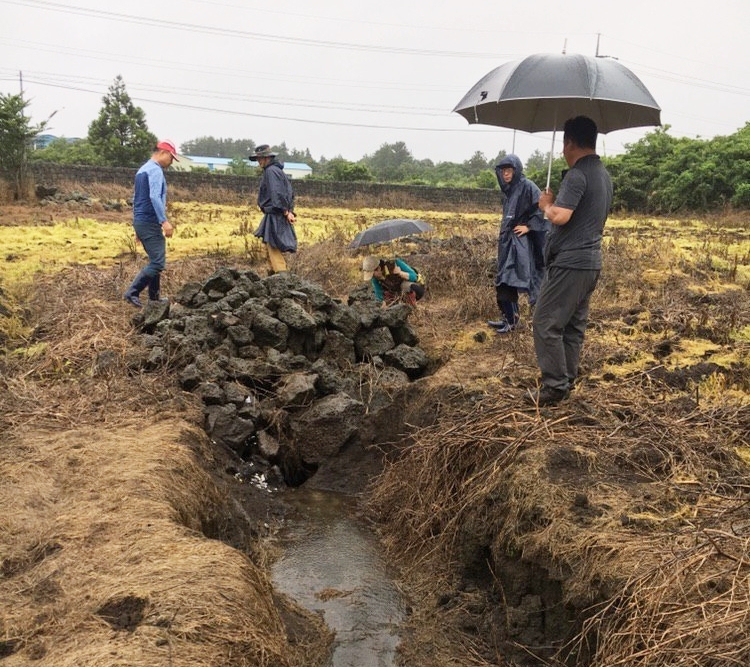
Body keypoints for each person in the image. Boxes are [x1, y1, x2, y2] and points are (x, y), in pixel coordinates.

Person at [530, 116, 613, 406]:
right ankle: (567, 380)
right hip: (591, 262)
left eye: (564, 145)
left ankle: (555, 386)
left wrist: (546, 205)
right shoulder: (603, 175)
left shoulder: (577, 175)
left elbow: (560, 216)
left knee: (545, 322)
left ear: (569, 143)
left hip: (571, 262)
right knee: (572, 326)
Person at [488, 154, 547, 334]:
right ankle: (509, 318)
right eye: (503, 171)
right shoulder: (508, 191)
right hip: (507, 241)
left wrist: (529, 227)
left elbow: (543, 209)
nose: (505, 174)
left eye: (509, 170)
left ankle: (514, 322)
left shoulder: (528, 186)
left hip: (519, 243)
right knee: (504, 280)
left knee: (509, 277)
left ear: (516, 170)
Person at [123, 139, 179, 308]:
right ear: (164, 153)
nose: (171, 163)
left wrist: (137, 227)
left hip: (141, 221)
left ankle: (154, 299)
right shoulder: (155, 171)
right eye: (171, 158)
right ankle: (132, 292)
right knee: (158, 262)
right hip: (150, 221)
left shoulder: (142, 170)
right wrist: (164, 221)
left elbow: (136, 200)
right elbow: (154, 197)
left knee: (155, 259)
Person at [251, 144, 296, 274]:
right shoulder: (278, 171)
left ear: (268, 158)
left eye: (261, 158)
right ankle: (277, 274)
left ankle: (282, 276)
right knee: (273, 243)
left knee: (273, 245)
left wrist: (286, 211)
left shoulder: (271, 172)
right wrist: (289, 211)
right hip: (279, 212)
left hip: (275, 213)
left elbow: (277, 193)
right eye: (258, 159)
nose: (259, 161)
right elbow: (289, 193)